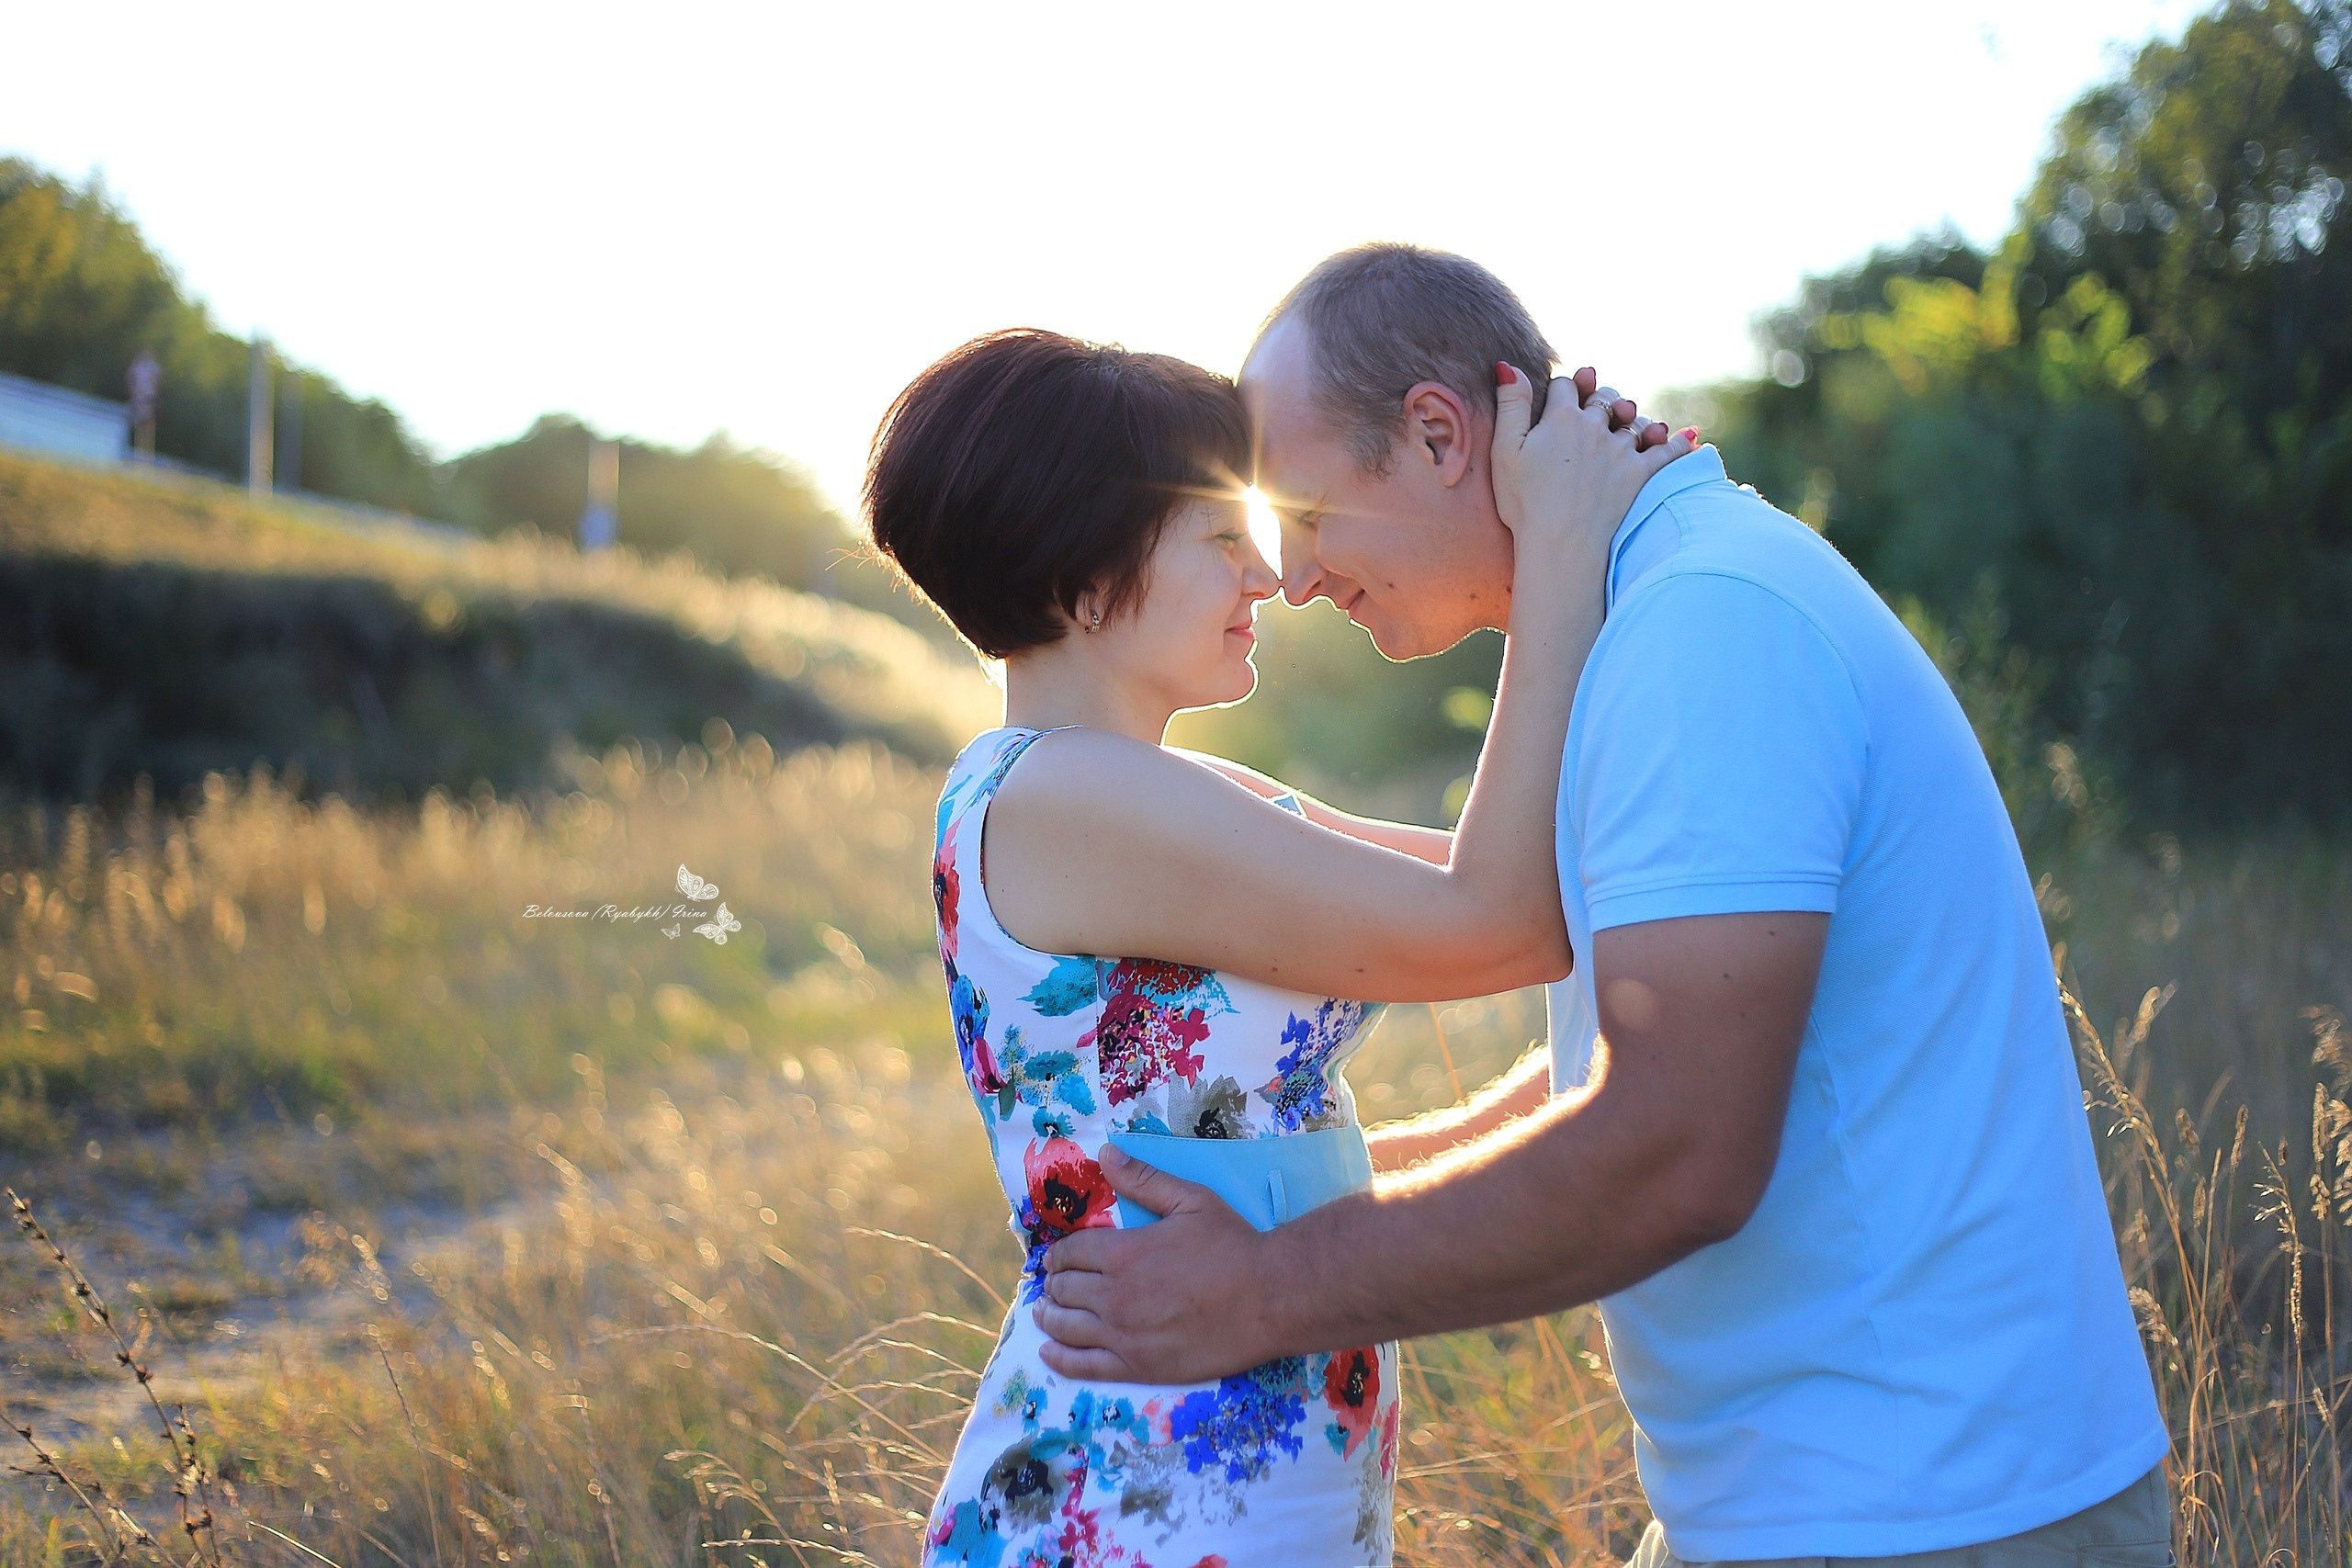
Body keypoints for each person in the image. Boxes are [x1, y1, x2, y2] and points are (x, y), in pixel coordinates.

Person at [1035, 245, 2175, 1566]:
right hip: (1826, 1502)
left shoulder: (1707, 628)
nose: (1292, 575)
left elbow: (1678, 1144)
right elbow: (1615, 1062)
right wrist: (1275, 1205)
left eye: (1305, 508)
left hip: (1933, 1509)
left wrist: (1264, 1292)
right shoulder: (1657, 606)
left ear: (1438, 433)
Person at [865, 326, 1689, 1566]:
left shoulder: (1148, 791)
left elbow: (1540, 891)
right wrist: (1558, 569)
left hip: (1224, 1461)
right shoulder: (1064, 801)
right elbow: (1498, 924)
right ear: (1086, 580)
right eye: (1217, 539)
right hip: (1136, 1485)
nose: (1267, 576)